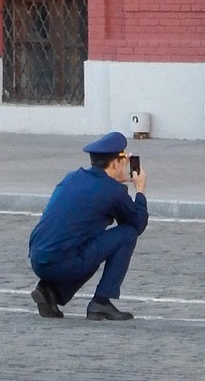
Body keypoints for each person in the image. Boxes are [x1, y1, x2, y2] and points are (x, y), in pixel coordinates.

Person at [28, 131, 149, 320]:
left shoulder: (72, 177)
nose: (125, 163)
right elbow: (137, 224)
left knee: (85, 245)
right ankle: (101, 301)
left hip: (37, 259)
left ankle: (49, 291)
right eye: (123, 158)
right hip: (64, 263)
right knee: (126, 235)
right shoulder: (113, 191)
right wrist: (140, 190)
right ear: (116, 162)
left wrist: (115, 183)